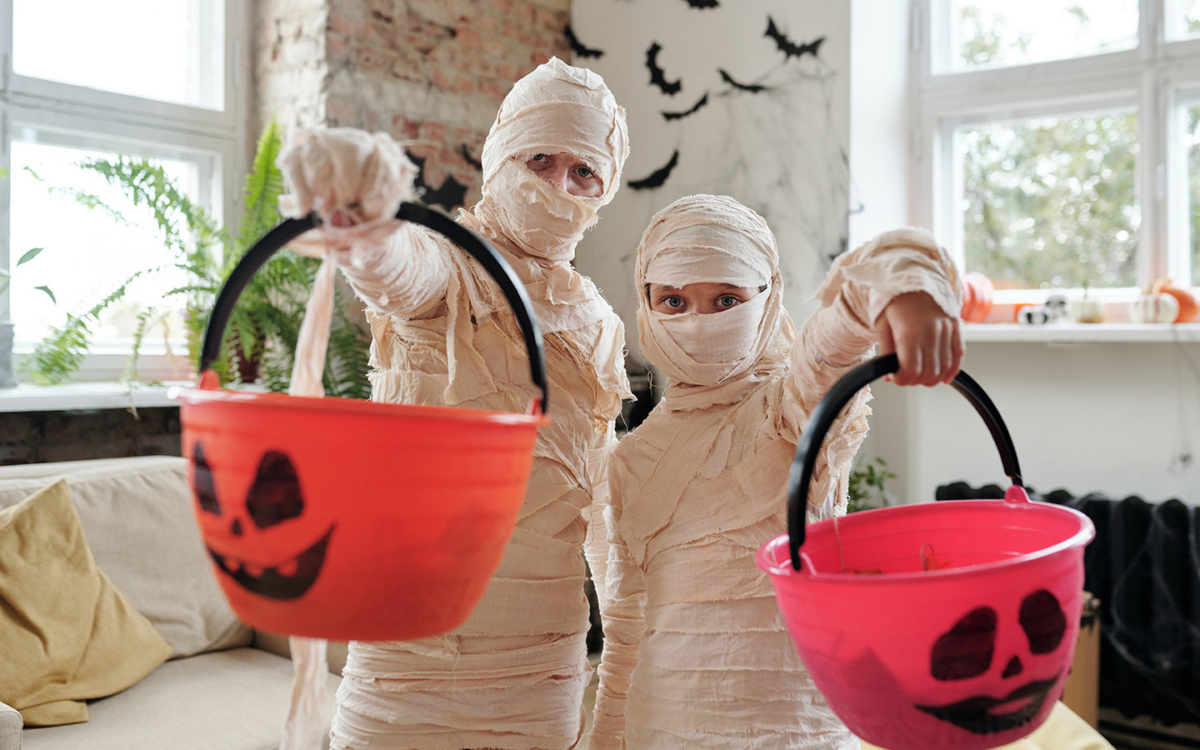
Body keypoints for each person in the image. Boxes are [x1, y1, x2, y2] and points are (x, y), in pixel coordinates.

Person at [276, 57, 631, 750]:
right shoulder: (451, 264)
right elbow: (397, 271)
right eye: (541, 160)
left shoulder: (598, 322)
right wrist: (365, 219)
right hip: (401, 664)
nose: (559, 185)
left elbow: (598, 496)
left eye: (583, 172)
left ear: (604, 189)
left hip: (540, 671)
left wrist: (624, 644)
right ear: (500, 160)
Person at [589, 194, 963, 749]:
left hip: (797, 730)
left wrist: (904, 288)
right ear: (644, 303)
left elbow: (836, 339)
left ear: (767, 299)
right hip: (663, 729)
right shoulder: (631, 458)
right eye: (673, 300)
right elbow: (625, 629)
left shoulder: (792, 411)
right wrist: (606, 738)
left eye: (726, 298)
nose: (699, 322)